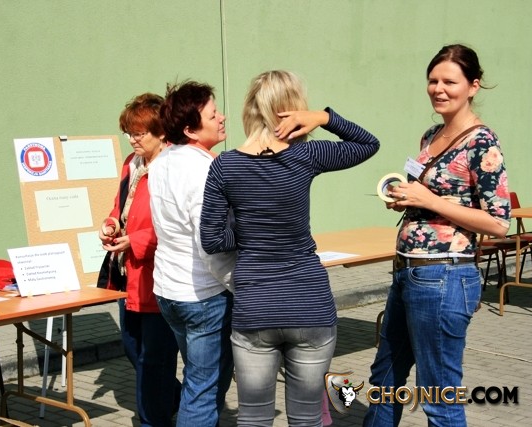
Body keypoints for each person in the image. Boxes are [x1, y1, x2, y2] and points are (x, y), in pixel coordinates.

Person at [200, 70, 380, 426]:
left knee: (253, 418)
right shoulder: (306, 155)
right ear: (294, 110)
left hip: (255, 308)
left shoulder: (225, 165)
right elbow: (367, 143)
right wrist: (324, 117)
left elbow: (212, 240)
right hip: (310, 305)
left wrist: (250, 230)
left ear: (249, 108)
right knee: (308, 418)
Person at [363, 44, 511, 426]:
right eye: (433, 80)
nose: (438, 89)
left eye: (450, 81)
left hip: (444, 276)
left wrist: (430, 200)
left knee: (438, 395)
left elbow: (498, 222)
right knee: (384, 379)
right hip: (407, 270)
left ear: (473, 86)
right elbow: (430, 197)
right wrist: (407, 200)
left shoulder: (481, 142)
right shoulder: (431, 135)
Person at [148, 81, 236, 427]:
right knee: (203, 391)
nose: (222, 117)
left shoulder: (163, 160)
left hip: (170, 291)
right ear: (189, 129)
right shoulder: (203, 170)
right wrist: (241, 286)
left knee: (200, 384)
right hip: (202, 295)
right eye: (213, 115)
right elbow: (210, 243)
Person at [98, 93, 180, 427]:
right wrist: (110, 225)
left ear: (161, 132)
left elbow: (178, 225)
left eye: (139, 132)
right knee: (133, 349)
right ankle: (180, 400)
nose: (132, 139)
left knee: (154, 358)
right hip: (128, 274)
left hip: (159, 276)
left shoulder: (172, 167)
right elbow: (121, 209)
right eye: (128, 132)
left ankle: (154, 419)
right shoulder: (132, 164)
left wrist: (137, 240)